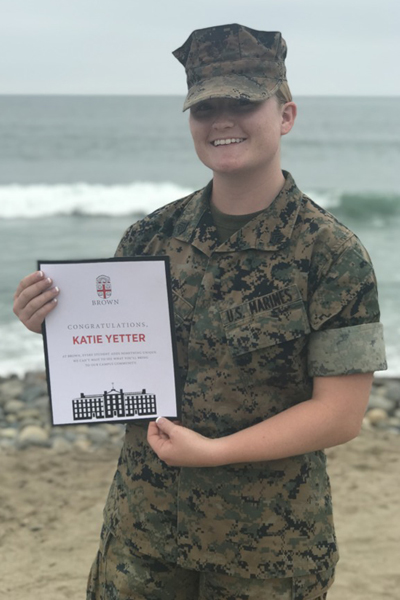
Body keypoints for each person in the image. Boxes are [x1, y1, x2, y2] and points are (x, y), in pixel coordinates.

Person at [13, 23, 387, 600]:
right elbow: (114, 368)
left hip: (266, 553)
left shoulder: (331, 254)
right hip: (143, 538)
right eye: (204, 107)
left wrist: (214, 454)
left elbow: (339, 415)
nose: (221, 121)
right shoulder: (148, 238)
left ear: (285, 114)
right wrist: (52, 324)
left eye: (243, 102)